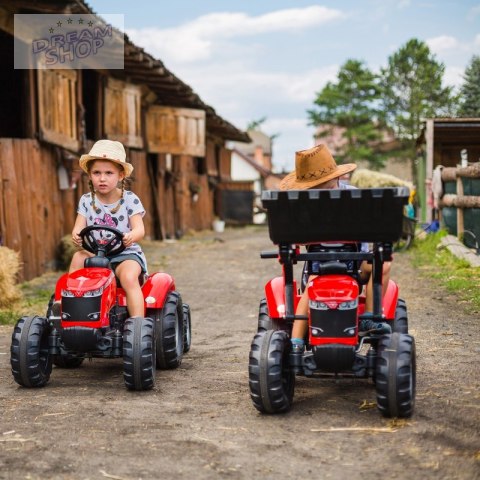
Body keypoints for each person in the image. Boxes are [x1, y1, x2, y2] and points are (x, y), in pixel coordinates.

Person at [278, 144, 392, 354]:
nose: (321, 193)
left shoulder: (355, 197)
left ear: (337, 179)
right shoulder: (302, 205)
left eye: (326, 188)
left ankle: (369, 318)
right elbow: (292, 232)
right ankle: (296, 342)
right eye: (314, 189)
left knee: (383, 267)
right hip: (319, 265)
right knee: (310, 288)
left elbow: (372, 225)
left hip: (357, 259)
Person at [70, 139, 147, 318]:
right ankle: (64, 304)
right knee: (77, 257)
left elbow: (139, 230)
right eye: (97, 172)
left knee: (128, 277)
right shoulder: (86, 200)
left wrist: (131, 236)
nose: (102, 178)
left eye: (109, 173)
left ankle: (138, 323)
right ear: (89, 175)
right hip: (95, 253)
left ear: (120, 175)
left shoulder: (130, 200)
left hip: (124, 254)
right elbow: (78, 228)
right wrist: (76, 236)